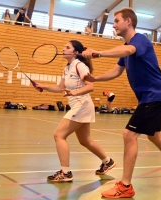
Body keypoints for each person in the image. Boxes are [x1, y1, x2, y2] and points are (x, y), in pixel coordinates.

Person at [82, 8, 161, 198]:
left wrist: (99, 53)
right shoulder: (126, 47)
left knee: (129, 134)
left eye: (116, 21)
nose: (113, 24)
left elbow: (129, 50)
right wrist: (96, 78)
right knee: (154, 135)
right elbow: (117, 71)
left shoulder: (138, 40)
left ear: (129, 21)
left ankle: (125, 186)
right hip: (153, 96)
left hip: (154, 95)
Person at [35, 40, 115, 182]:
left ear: (76, 52)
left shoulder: (80, 66)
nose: (63, 49)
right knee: (85, 140)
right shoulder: (67, 68)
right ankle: (107, 161)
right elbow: (60, 88)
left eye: (67, 47)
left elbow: (90, 86)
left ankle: (65, 173)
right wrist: (43, 86)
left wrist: (75, 93)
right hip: (80, 105)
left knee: (59, 135)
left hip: (82, 105)